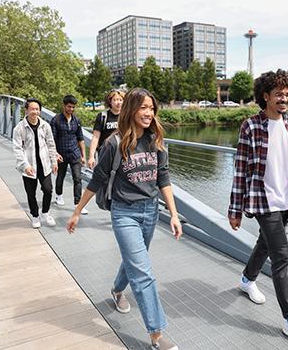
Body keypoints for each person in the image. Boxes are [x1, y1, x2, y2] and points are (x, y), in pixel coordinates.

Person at [67, 88, 182, 350]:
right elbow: (97, 180)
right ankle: (157, 335)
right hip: (124, 213)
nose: (149, 113)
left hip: (151, 211)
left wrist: (174, 214)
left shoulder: (156, 140)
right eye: (143, 107)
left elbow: (163, 177)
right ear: (131, 109)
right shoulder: (114, 144)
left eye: (152, 108)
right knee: (143, 273)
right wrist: (76, 212)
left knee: (134, 262)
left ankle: (117, 290)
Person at [228, 69, 288, 347]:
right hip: (262, 200)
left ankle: (247, 279)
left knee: (266, 245)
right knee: (282, 257)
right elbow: (240, 170)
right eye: (279, 93)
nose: (285, 98)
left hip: (286, 201)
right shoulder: (251, 126)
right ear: (266, 96)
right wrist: (235, 209)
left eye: (287, 93)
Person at [13, 98, 58, 228]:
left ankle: (45, 212)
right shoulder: (19, 128)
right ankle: (35, 216)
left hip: (44, 165)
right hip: (29, 166)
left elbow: (51, 144)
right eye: (32, 109)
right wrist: (25, 165)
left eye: (37, 109)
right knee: (30, 193)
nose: (35, 111)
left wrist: (54, 162)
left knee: (48, 190)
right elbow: (17, 149)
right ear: (26, 110)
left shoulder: (45, 125)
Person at [50, 95, 88, 214]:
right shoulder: (55, 120)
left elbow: (80, 138)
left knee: (77, 178)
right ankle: (59, 195)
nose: (71, 109)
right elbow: (51, 139)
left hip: (74, 153)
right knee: (60, 176)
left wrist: (83, 156)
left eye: (73, 107)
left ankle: (78, 203)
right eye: (69, 106)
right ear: (64, 106)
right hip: (61, 154)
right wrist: (55, 154)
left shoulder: (76, 120)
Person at [88, 89, 125, 169]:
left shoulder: (126, 117)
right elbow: (95, 137)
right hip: (105, 152)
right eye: (115, 100)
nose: (118, 103)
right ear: (110, 102)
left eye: (120, 100)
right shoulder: (103, 116)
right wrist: (91, 156)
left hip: (122, 153)